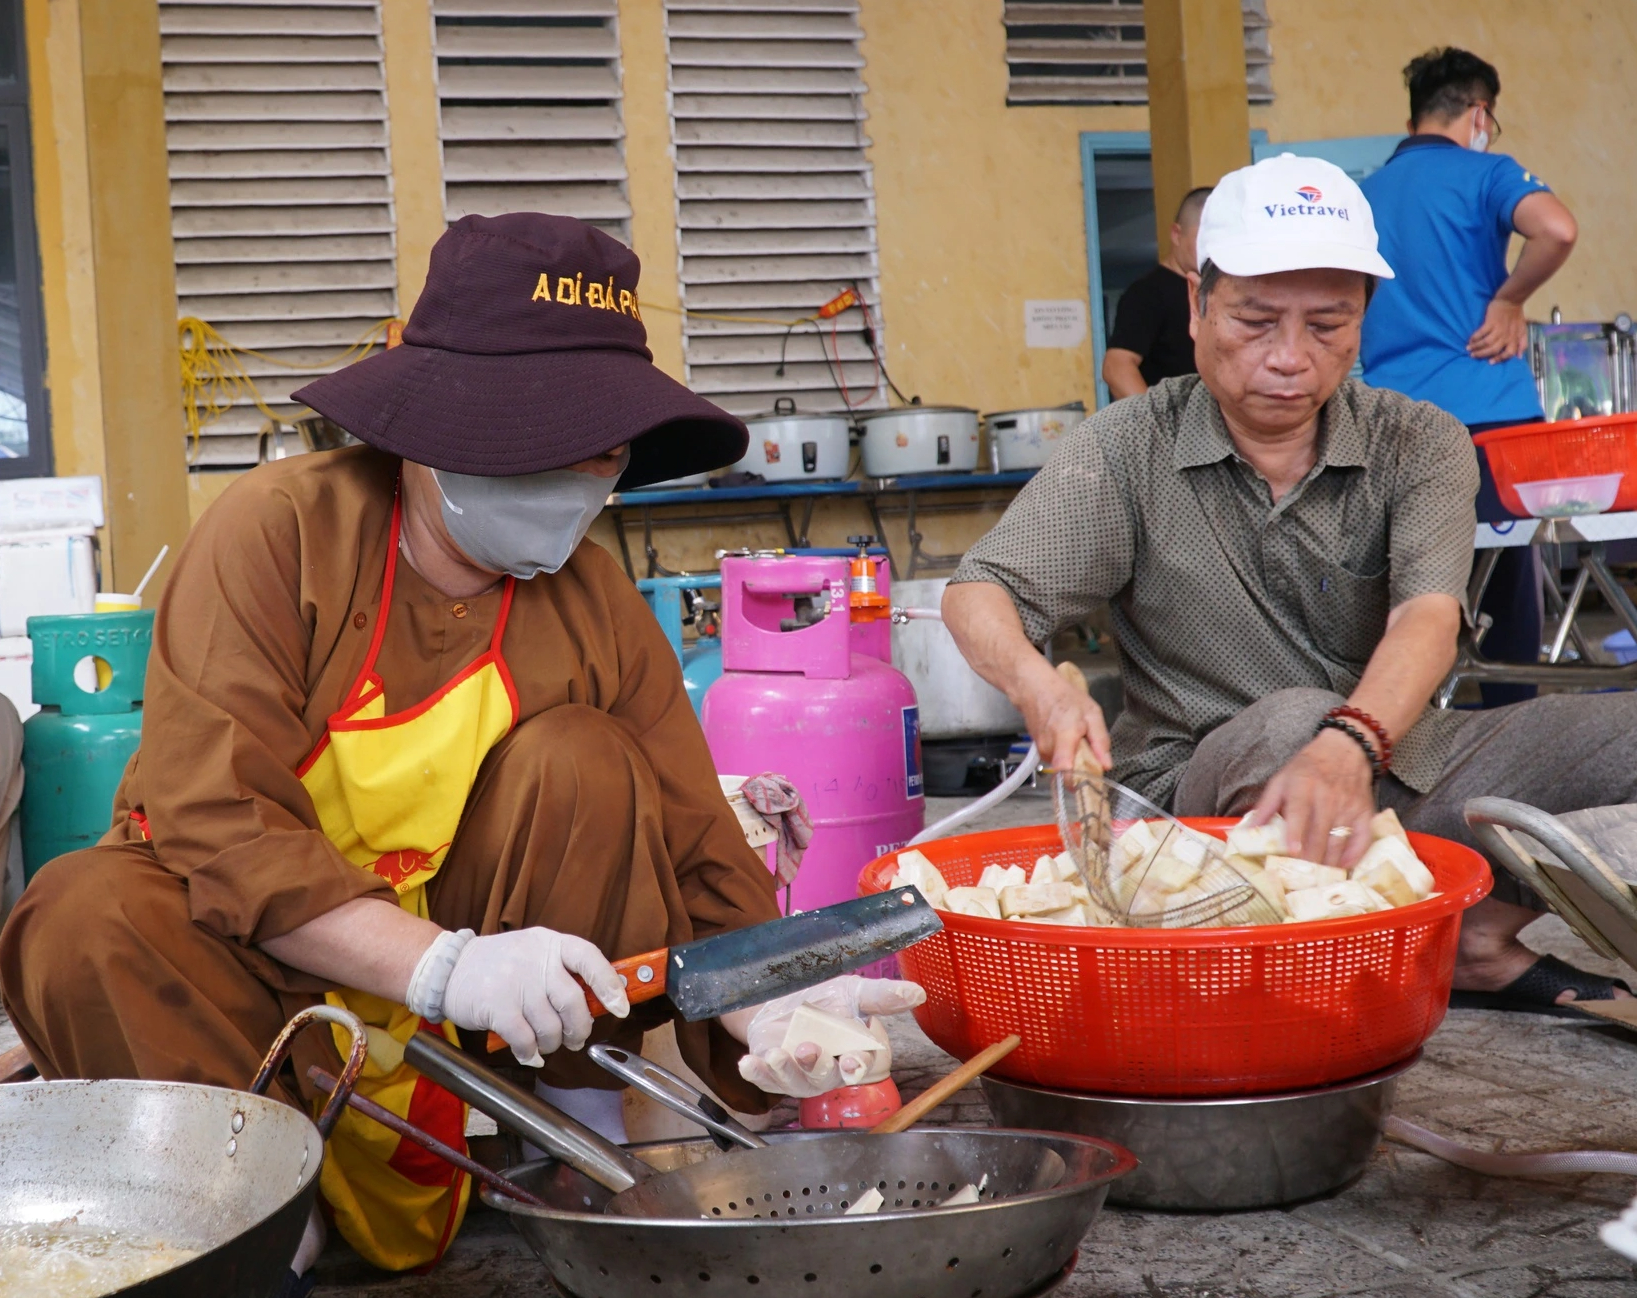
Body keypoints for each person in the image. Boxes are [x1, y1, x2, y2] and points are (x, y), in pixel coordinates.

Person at [0, 214, 922, 1288]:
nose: (582, 475)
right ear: (431, 431)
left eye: (605, 450)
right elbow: (215, 817)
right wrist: (440, 967)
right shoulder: (276, 533)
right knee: (80, 908)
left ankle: (565, 1157)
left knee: (585, 757)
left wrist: (774, 996)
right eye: (550, 439)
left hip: (495, 1024)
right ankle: (250, 1217)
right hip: (254, 979)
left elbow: (691, 836)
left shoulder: (591, 599)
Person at [943, 155, 1634, 1026]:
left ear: (1362, 324)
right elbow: (980, 590)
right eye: (1255, 320)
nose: (1288, 359)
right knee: (1288, 720)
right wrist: (1038, 688)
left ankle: (1473, 938)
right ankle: (1341, 949)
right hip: (1211, 786)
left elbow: (1426, 613)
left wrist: (1350, 745)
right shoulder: (1127, 449)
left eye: (1326, 325)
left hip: (1395, 758)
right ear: (1197, 306)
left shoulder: (1418, 442)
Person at [1361, 47, 1578, 707]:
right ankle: (1508, 724)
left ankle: (1408, 720)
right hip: (1489, 413)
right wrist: (1509, 300)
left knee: (1405, 576)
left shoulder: (1363, 193)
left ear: (1412, 116)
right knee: (1504, 578)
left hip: (1390, 421)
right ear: (1478, 112)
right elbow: (1557, 230)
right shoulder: (1487, 173)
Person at [1102, 186, 1213, 400]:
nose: (1209, 249)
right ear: (1176, 234)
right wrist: (1153, 427)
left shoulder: (1219, 290)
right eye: (1201, 240)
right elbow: (1116, 366)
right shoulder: (1147, 294)